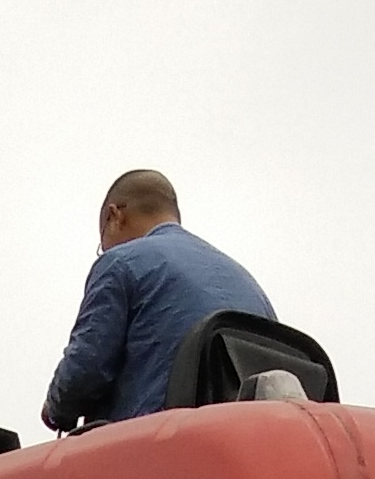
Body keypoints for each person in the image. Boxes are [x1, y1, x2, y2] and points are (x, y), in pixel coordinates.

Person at [40, 169, 274, 436]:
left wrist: (56, 407)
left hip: (151, 453)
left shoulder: (120, 262)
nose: (105, 250)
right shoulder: (251, 286)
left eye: (102, 241)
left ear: (115, 216)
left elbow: (85, 370)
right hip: (245, 451)